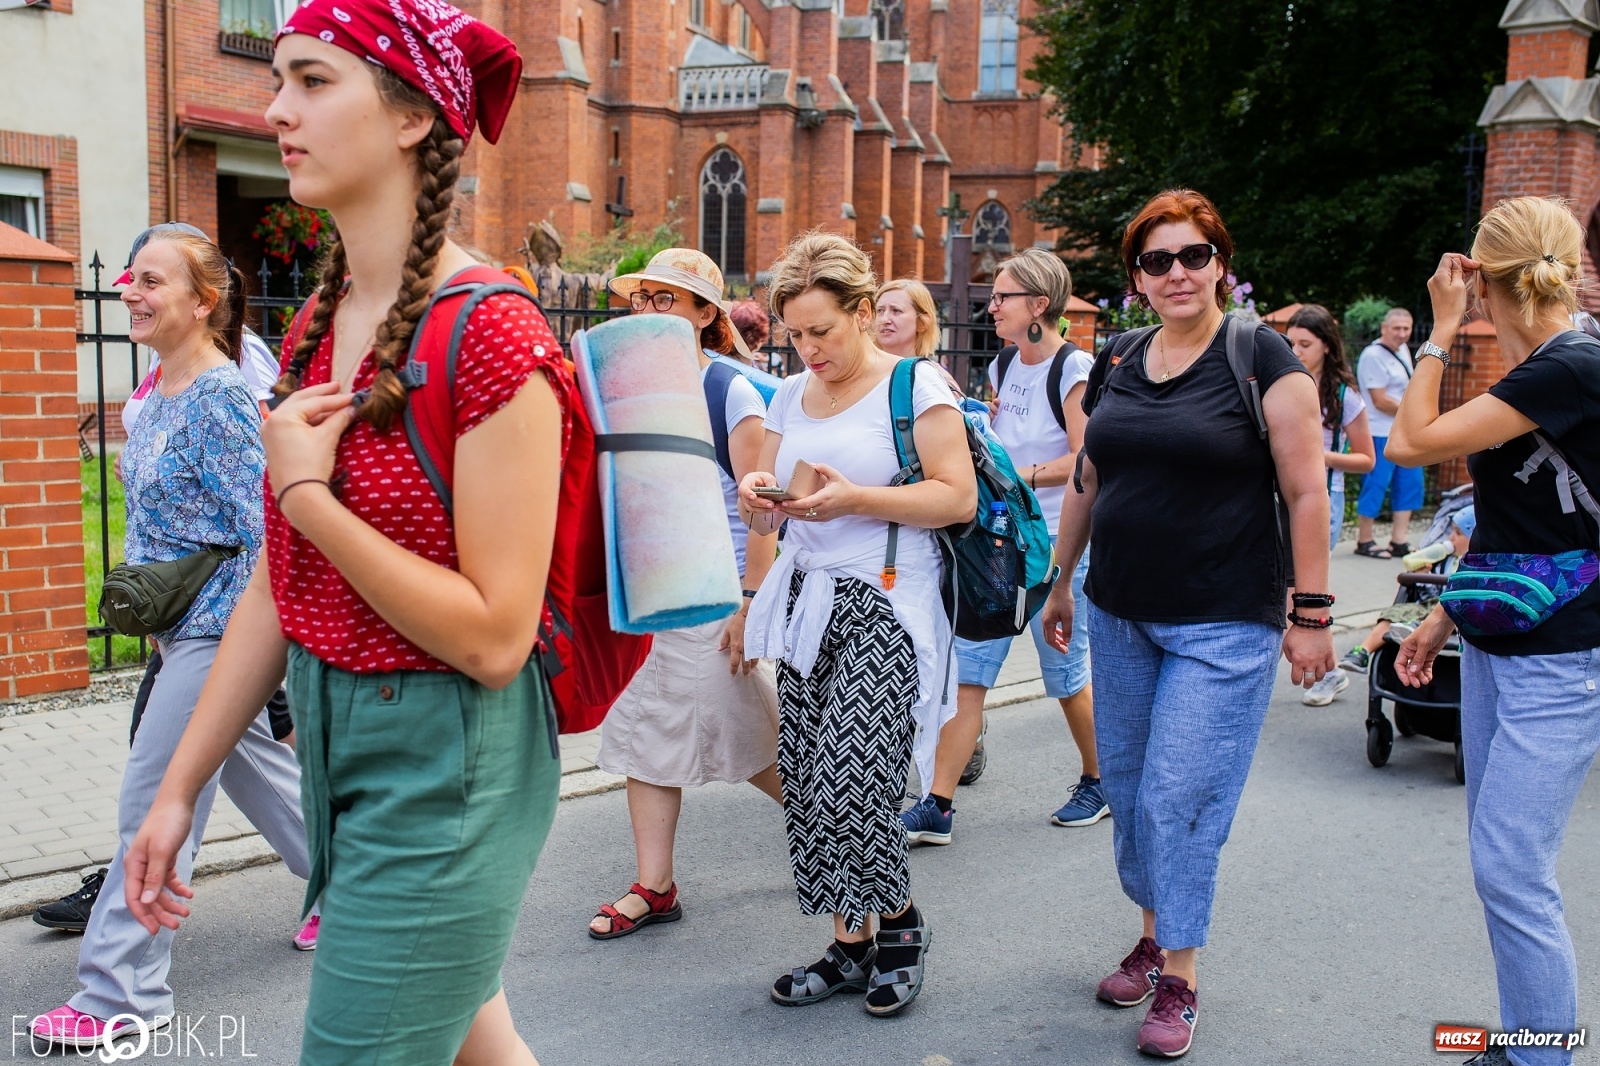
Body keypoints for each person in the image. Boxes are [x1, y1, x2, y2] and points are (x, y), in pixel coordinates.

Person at [117, 5, 572, 1063]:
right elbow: (279, 586)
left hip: (447, 766)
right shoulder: (321, 327)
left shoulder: (492, 331)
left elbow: (496, 637)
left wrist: (308, 498)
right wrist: (176, 792)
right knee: (482, 1046)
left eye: (314, 81)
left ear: (412, 116)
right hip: (338, 749)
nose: (277, 110)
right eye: (278, 79)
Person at [1039, 189, 1333, 1058]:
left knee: (1181, 794)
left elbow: (1306, 491)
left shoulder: (1261, 355)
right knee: (1132, 791)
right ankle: (1153, 934)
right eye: (1157, 260)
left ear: (1220, 265)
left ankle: (1181, 976)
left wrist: (1312, 614)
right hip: (1119, 610)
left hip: (1224, 619)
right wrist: (1059, 583)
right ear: (1137, 277)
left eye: (1193, 256)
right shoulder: (1120, 356)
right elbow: (1089, 477)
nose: (1177, 273)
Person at [29, 228, 315, 1048]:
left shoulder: (222, 399)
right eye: (131, 277)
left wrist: (246, 654)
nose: (130, 291)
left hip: (219, 632)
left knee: (154, 803)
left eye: (152, 281)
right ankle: (357, 889)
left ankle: (121, 995)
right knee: (265, 779)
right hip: (179, 631)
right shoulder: (157, 392)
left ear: (203, 302)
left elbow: (266, 535)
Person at [741, 232, 976, 1016]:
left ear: (865, 313)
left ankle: (900, 925)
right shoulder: (787, 395)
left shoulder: (915, 385)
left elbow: (956, 496)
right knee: (811, 779)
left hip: (888, 602)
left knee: (856, 779)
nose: (808, 349)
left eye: (822, 331)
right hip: (808, 602)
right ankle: (850, 943)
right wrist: (756, 496)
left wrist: (855, 499)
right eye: (795, 334)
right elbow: (772, 503)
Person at [1390, 196, 1600, 1066]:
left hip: (1564, 656)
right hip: (1501, 639)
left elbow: (1409, 442)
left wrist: (1439, 331)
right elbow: (1518, 523)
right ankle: (1522, 1042)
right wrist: (1445, 613)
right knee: (1499, 863)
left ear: (1480, 278)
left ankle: (1541, 1054)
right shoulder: (1541, 366)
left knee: (1511, 867)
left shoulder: (1572, 366)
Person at [587, 249, 783, 939]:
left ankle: (841, 828)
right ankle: (655, 885)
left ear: (706, 315)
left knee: (746, 730)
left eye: (666, 298)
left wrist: (749, 601)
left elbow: (763, 508)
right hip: (645, 590)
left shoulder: (731, 390)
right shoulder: (624, 380)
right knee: (644, 728)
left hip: (713, 587)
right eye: (643, 297)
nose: (648, 310)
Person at [893, 250, 1106, 846]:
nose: (992, 306)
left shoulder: (1074, 367)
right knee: (972, 670)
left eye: (1002, 297)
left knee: (1065, 674)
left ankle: (1100, 779)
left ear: (1039, 304)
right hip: (1001, 543)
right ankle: (937, 804)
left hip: (1058, 543)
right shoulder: (1006, 362)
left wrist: (1017, 476)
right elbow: (1003, 437)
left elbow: (1085, 459)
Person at [1286, 303, 1376, 706]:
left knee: (1305, 587)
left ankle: (1329, 669)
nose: (1296, 351)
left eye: (1305, 344)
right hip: (1283, 496)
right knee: (1288, 588)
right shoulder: (1284, 383)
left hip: (1324, 497)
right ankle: (1323, 667)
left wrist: (1316, 455)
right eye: (1291, 343)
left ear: (1326, 345)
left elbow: (1367, 459)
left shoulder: (1344, 396)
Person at [1335, 506, 1475, 685]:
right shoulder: (1445, 558)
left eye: (1458, 533)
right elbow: (1428, 586)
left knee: (1432, 616)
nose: (1451, 537)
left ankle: (1412, 627)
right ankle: (1361, 651)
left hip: (1455, 610)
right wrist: (1423, 574)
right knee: (1395, 613)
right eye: (1452, 531)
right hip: (1430, 603)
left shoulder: (1474, 563)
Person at [1354, 306, 1421, 558]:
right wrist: (1413, 412)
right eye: (1397, 328)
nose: (1402, 334)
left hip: (1404, 431)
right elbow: (1380, 400)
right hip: (1379, 430)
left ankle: (1398, 540)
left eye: (1406, 328)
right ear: (1384, 328)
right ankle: (1365, 540)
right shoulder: (1373, 355)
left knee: (1410, 483)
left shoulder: (1403, 351)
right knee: (1376, 484)